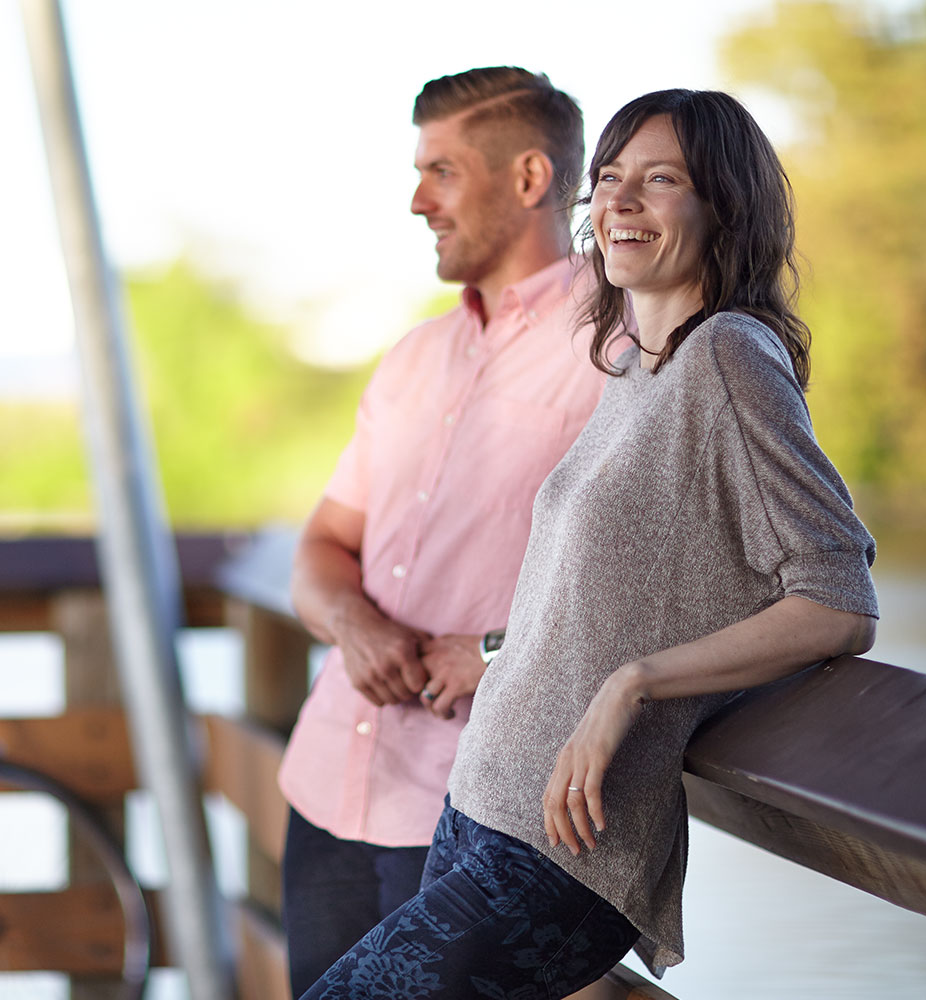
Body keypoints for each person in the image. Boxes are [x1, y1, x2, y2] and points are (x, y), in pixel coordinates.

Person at [299, 88, 880, 1000]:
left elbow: (838, 599)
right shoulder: (634, 366)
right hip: (480, 802)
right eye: (609, 180)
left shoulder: (729, 357)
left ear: (724, 206)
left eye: (660, 181)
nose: (619, 203)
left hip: (567, 846)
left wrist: (637, 683)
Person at [277, 67, 607, 997]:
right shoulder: (414, 357)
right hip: (331, 784)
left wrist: (500, 653)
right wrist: (355, 626)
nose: (418, 200)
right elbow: (321, 548)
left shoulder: (624, 350)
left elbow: (676, 588)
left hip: (477, 814)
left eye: (443, 171)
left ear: (531, 178)